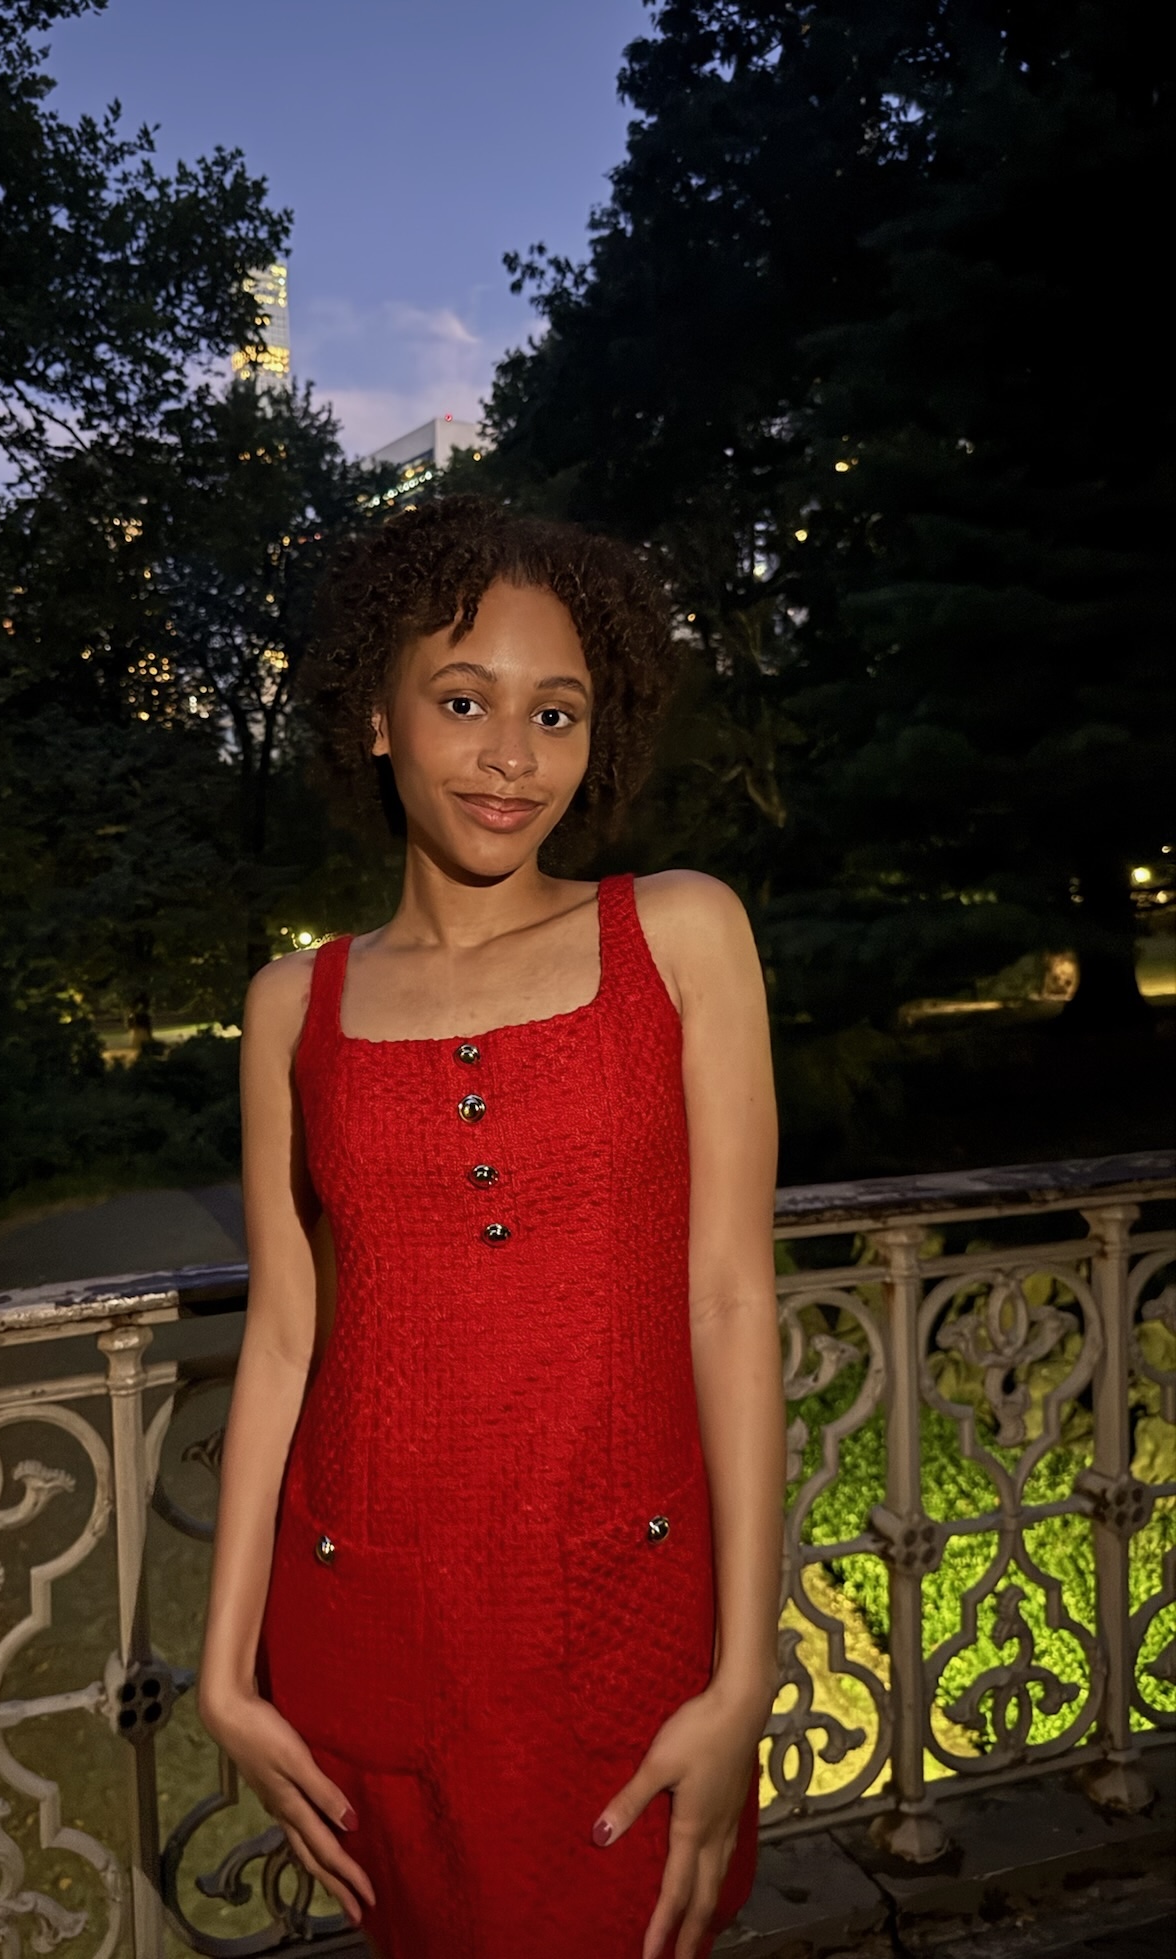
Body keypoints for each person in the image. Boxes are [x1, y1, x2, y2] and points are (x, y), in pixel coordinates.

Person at [198, 495, 784, 1958]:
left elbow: (730, 1302)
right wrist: (224, 1674)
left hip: (627, 1633)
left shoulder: (683, 932)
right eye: (463, 702)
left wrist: (746, 1673)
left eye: (558, 714)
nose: (514, 758)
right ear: (379, 718)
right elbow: (283, 1344)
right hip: (369, 1632)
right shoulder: (293, 1006)